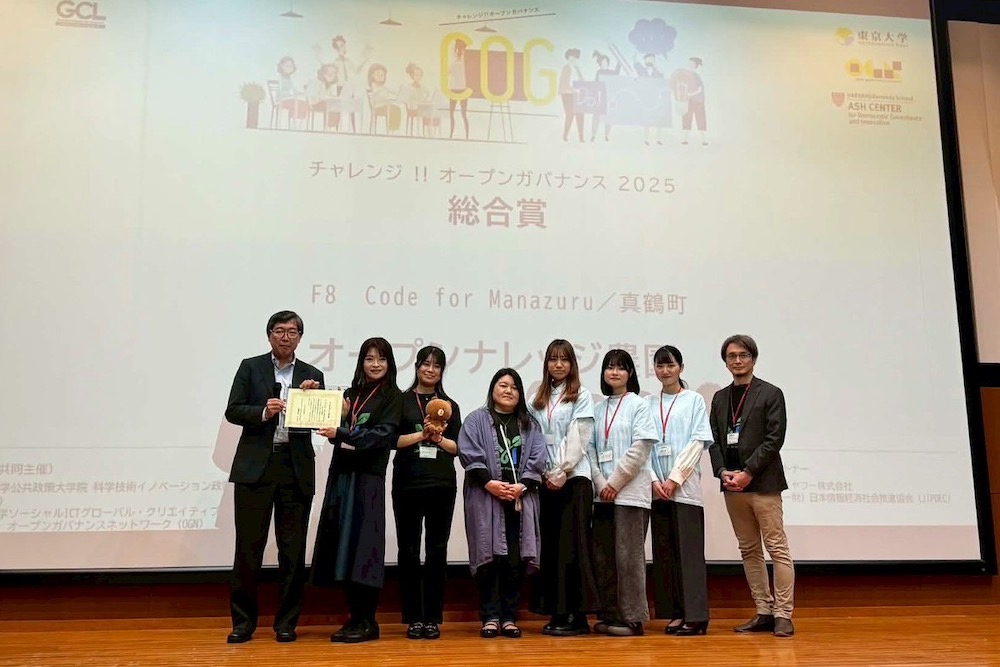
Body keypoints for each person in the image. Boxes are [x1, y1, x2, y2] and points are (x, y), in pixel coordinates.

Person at [223, 311, 325, 644]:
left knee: (292, 552)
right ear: (269, 335)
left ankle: (286, 623)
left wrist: (311, 399)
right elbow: (233, 409)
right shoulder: (250, 367)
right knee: (248, 548)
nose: (285, 337)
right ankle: (243, 623)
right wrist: (264, 412)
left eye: (292, 332)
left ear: (300, 338)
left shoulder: (312, 375)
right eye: (279, 330)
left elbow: (319, 420)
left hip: (295, 468)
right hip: (256, 468)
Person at [312, 338, 402, 643]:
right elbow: (328, 429)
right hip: (341, 474)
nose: (375, 364)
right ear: (361, 362)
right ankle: (354, 618)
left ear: (390, 364)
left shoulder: (393, 397)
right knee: (342, 546)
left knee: (365, 548)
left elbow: (381, 436)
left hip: (368, 478)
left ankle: (368, 620)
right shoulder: (349, 394)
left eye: (381, 359)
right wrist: (321, 404)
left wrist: (342, 431)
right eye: (369, 358)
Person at [708, 334, 795, 637]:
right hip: (733, 486)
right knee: (748, 550)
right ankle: (763, 611)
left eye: (743, 355)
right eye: (731, 356)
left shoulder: (770, 393)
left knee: (777, 549)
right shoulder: (720, 398)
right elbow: (714, 440)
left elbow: (774, 439)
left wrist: (748, 472)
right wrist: (722, 471)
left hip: (764, 484)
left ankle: (783, 613)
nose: (737, 360)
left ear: (753, 359)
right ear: (725, 362)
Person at [459, 368, 547, 639]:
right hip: (486, 498)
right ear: (492, 389)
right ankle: (490, 617)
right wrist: (490, 484)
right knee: (488, 558)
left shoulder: (530, 424)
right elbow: (468, 454)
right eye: (503, 385)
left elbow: (538, 458)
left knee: (514, 559)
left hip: (520, 500)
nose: (508, 391)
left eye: (514, 387)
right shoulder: (475, 420)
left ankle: (509, 617)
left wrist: (521, 486)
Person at [528, 339, 598, 636]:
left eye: (564, 359)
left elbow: (579, 436)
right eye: (553, 359)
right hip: (546, 479)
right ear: (546, 364)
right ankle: (558, 611)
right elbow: (533, 438)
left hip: (574, 478)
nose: (558, 365)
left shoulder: (581, 395)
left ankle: (577, 616)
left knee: (574, 547)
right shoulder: (537, 398)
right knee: (552, 548)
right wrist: (545, 472)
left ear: (572, 364)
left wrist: (562, 470)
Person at [392, 346, 463, 640]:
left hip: (441, 484)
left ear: (442, 371)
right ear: (417, 366)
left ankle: (432, 617)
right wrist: (421, 435)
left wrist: (438, 438)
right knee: (408, 550)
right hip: (407, 483)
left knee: (437, 550)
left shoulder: (450, 405)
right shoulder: (401, 401)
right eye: (426, 364)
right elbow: (392, 440)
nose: (430, 370)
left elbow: (458, 448)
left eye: (436, 365)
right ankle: (413, 617)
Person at [587, 350, 658, 636]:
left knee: (629, 558)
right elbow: (590, 450)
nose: (614, 372)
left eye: (621, 368)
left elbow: (641, 447)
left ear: (630, 373)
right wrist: (600, 482)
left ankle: (632, 618)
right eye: (609, 367)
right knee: (603, 556)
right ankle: (609, 613)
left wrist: (615, 482)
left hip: (630, 493)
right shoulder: (598, 409)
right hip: (602, 495)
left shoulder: (639, 405)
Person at [646, 345, 713, 636]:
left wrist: (674, 478)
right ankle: (675, 613)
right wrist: (653, 479)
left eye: (670, 365)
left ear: (681, 368)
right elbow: (643, 444)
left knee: (689, 554)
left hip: (684, 488)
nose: (665, 371)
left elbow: (697, 443)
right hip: (656, 489)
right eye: (660, 366)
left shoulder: (693, 400)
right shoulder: (648, 403)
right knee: (665, 554)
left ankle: (696, 616)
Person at [559, 48, 585, 142]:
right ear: (568, 57)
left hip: (577, 94)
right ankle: (565, 135)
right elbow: (564, 83)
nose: (572, 59)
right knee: (570, 114)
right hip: (567, 94)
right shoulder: (566, 68)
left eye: (574, 57)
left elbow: (582, 81)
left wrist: (582, 90)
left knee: (580, 114)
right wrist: (574, 90)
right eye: (571, 57)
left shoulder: (577, 69)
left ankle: (581, 137)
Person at [447, 39, 470, 140]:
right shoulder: (453, 63)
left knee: (463, 114)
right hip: (454, 89)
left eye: (461, 49)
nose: (459, 51)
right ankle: (451, 135)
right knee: (452, 113)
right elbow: (447, 73)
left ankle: (467, 136)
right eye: (457, 49)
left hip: (463, 89)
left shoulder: (465, 63)